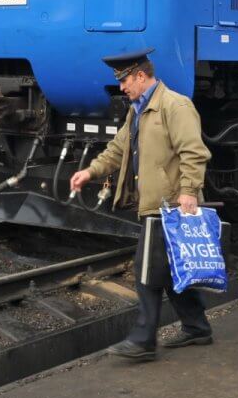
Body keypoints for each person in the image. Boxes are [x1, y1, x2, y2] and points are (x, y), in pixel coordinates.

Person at [69, 47, 213, 361]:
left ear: (140, 75)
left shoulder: (175, 106)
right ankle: (197, 327)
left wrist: (188, 191)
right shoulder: (138, 110)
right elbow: (117, 150)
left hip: (170, 204)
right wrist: (90, 171)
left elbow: (194, 152)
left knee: (146, 269)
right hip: (154, 201)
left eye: (124, 80)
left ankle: (143, 339)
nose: (121, 87)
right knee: (175, 271)